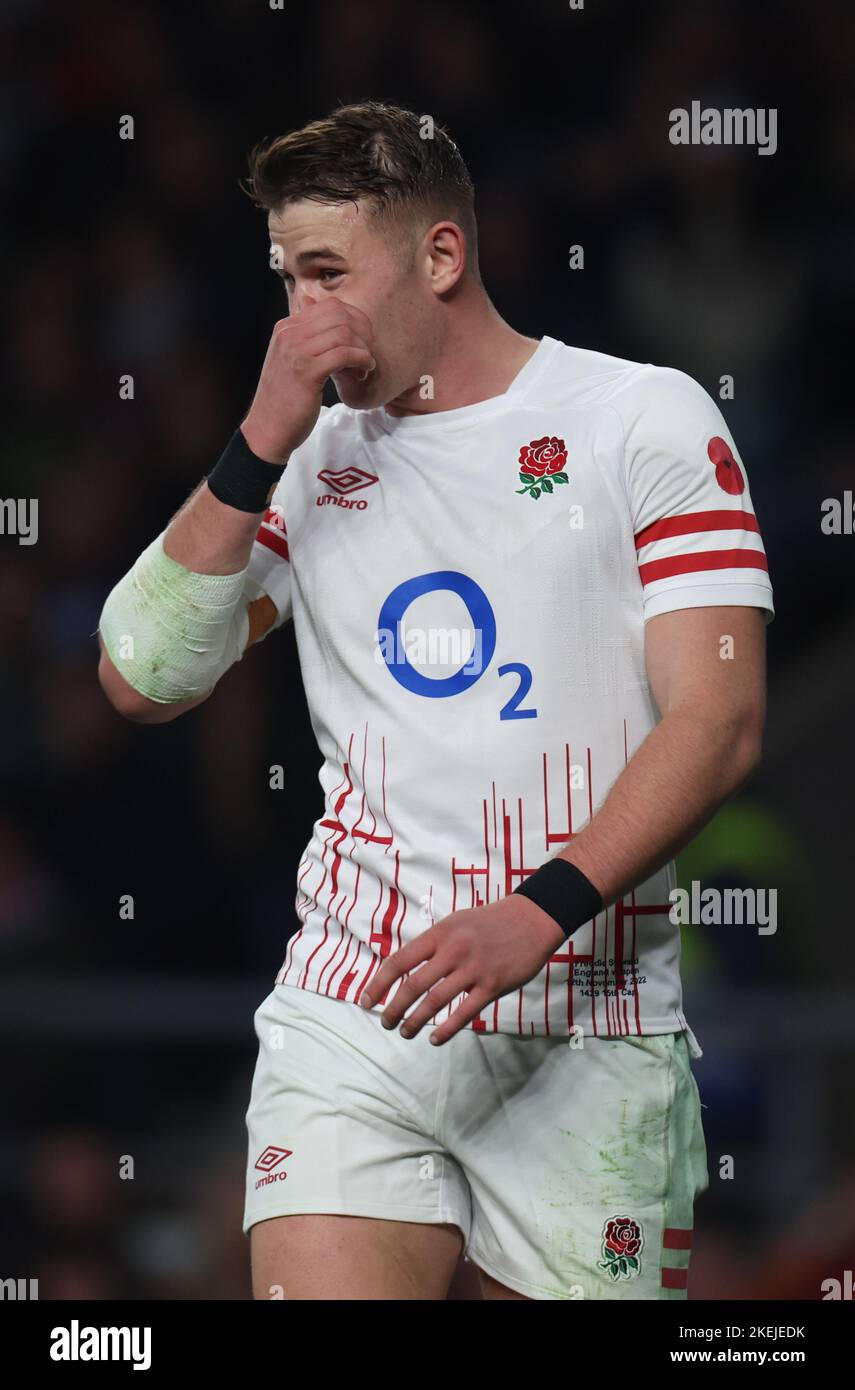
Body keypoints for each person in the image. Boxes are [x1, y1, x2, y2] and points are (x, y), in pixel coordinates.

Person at [97, 101, 773, 1301]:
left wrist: (538, 909)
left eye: (326, 275)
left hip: (588, 1023)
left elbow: (718, 723)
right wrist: (258, 437)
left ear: (441, 258)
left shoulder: (642, 421)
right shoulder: (308, 455)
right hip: (356, 1011)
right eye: (286, 279)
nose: (300, 317)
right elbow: (142, 677)